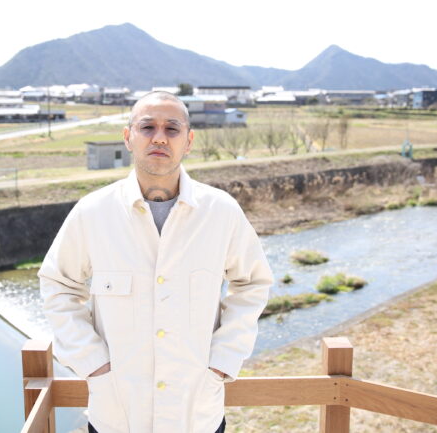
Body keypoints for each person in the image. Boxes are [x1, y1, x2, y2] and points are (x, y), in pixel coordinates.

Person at [38, 91, 273, 433]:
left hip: (197, 415)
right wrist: (92, 363)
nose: (160, 137)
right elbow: (58, 285)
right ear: (128, 137)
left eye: (172, 129)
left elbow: (253, 282)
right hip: (116, 416)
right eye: (147, 127)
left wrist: (223, 360)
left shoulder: (220, 211)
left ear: (188, 141)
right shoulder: (93, 212)